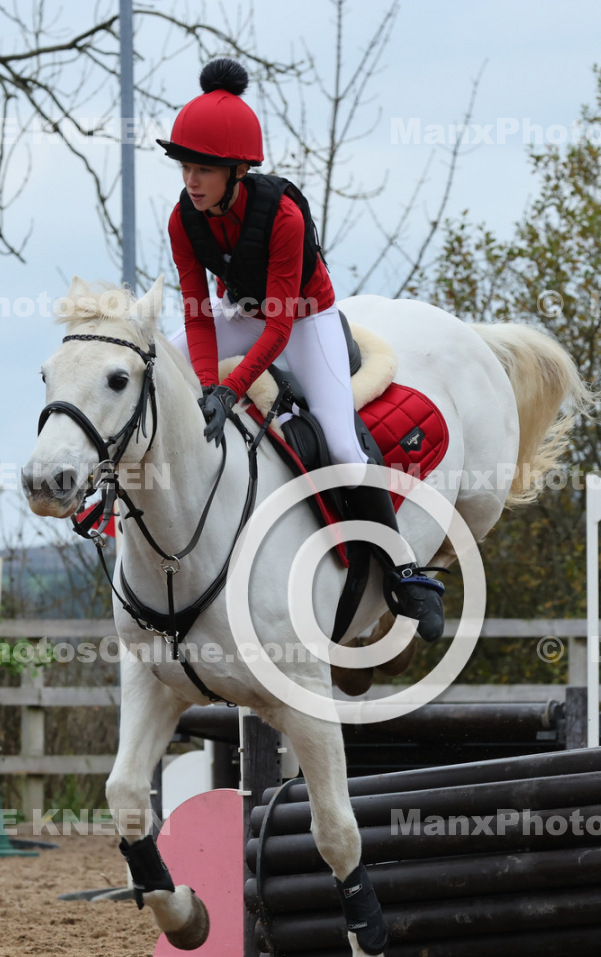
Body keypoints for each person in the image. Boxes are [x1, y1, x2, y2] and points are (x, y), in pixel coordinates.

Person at [158, 58, 445, 642]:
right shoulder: (182, 220)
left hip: (306, 319)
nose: (191, 180)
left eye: (203, 168)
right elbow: (197, 315)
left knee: (340, 443)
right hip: (242, 315)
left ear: (238, 169)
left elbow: (281, 328)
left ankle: (404, 570)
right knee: (159, 369)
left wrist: (229, 391)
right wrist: (206, 385)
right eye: (185, 166)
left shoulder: (283, 217)